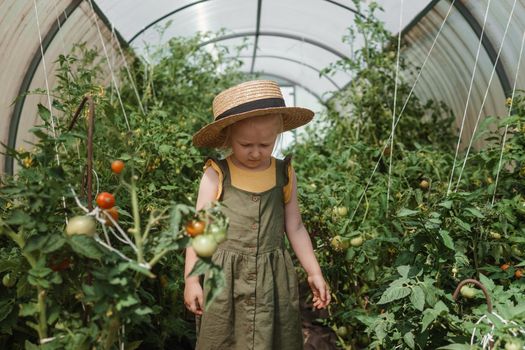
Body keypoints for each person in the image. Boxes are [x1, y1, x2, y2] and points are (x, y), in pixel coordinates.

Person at [184, 80, 330, 350]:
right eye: (245, 144)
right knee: (223, 340)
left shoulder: (283, 173)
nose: (255, 152)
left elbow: (295, 226)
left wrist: (314, 271)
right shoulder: (216, 174)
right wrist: (191, 279)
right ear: (228, 138)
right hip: (224, 278)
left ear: (278, 136)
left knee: (273, 339)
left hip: (272, 279)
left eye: (265, 144)